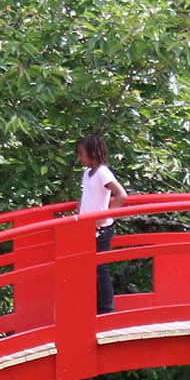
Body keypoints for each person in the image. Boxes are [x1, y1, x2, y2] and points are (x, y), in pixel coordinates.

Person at [77, 133, 127, 314]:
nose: (79, 158)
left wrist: (105, 217)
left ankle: (107, 310)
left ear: (93, 153)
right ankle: (92, 307)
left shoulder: (102, 173)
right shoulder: (87, 173)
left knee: (100, 268)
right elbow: (86, 196)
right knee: (87, 268)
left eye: (81, 154)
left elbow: (121, 195)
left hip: (101, 228)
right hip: (86, 226)